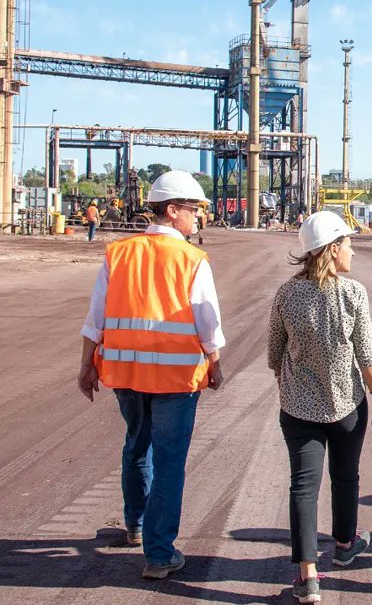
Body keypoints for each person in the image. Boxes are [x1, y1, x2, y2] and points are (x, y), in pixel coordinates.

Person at [75, 170, 226, 580]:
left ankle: (136, 526)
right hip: (176, 381)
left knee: (136, 446)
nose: (197, 218)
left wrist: (87, 365)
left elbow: (96, 317)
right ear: (172, 210)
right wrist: (214, 364)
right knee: (170, 460)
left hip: (125, 374)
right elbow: (207, 322)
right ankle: (159, 554)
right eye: (193, 209)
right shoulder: (192, 259)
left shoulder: (118, 253)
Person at [267, 211, 372, 605]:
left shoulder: (286, 293)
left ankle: (308, 576)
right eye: (348, 243)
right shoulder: (353, 293)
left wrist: (289, 382)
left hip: (299, 409)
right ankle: (344, 543)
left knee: (303, 486)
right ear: (333, 251)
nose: (352, 250)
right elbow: (367, 354)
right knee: (346, 477)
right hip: (348, 404)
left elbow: (273, 353)